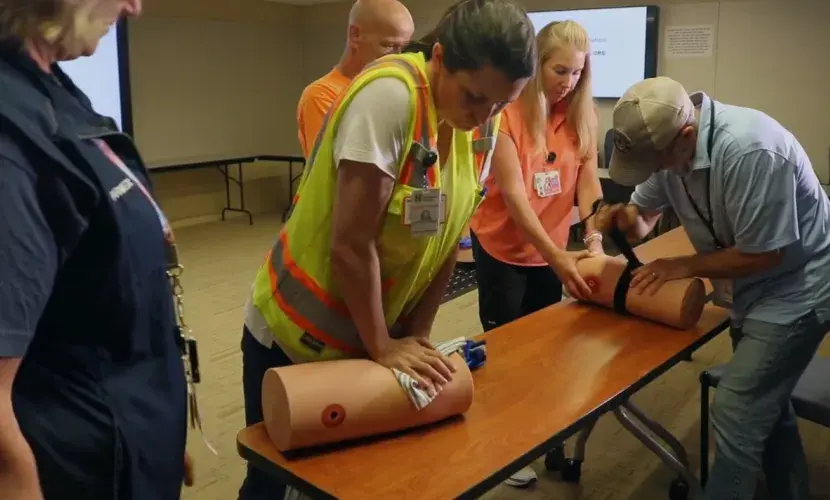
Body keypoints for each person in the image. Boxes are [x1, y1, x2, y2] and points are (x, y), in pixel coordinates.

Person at [240, 0, 536, 497]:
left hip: (369, 336)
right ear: (439, 57)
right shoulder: (390, 97)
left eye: (501, 104)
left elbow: (446, 235)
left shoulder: (482, 123)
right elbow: (351, 245)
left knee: (356, 479)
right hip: (295, 333)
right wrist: (382, 343)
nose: (484, 115)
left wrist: (417, 335)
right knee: (276, 481)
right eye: (474, 97)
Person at [595, 76, 830, 500]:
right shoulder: (669, 147)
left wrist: (681, 265)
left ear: (687, 135)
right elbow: (644, 213)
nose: (658, 172)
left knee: (737, 408)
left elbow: (766, 254)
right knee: (766, 403)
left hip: (799, 287)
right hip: (751, 287)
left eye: (659, 162)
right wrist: (628, 222)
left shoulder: (752, 149)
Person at [0, 0, 195, 499]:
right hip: (78, 463)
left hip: (126, 432)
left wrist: (158, 422)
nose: (135, 6)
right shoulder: (11, 133)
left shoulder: (48, 85)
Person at [468, 19, 603, 488]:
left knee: (547, 352)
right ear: (536, 64)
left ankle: (548, 438)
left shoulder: (581, 114)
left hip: (552, 251)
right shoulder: (505, 116)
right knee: (507, 352)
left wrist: (593, 238)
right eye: (559, 70)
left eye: (576, 73)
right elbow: (516, 199)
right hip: (504, 248)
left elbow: (588, 180)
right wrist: (557, 256)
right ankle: (506, 447)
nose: (567, 82)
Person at [296, 0, 414, 159]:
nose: (398, 57)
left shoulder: (395, 90)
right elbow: (337, 167)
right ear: (355, 35)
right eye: (388, 45)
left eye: (403, 48)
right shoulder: (320, 95)